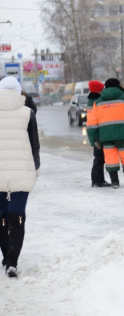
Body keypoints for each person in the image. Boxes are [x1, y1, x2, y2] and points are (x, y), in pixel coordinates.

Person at [0, 77, 40, 278]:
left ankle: (6, 256)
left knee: (1, 216)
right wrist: (36, 169)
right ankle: (12, 262)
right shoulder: (28, 113)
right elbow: (34, 145)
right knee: (17, 215)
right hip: (21, 171)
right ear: (18, 91)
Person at [86, 78, 124, 188]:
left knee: (111, 158)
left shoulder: (97, 102)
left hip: (106, 136)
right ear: (118, 86)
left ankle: (115, 182)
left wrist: (94, 139)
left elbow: (92, 123)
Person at [86, 80, 111, 188]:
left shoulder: (91, 100)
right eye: (101, 89)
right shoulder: (96, 102)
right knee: (99, 158)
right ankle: (98, 181)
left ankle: (95, 180)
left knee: (98, 157)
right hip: (97, 133)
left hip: (94, 132)